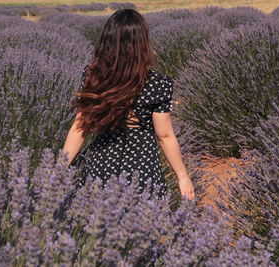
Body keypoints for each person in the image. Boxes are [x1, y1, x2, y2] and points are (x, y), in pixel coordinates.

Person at [62, 9, 195, 200]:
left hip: (101, 163)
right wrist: (182, 177)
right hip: (142, 169)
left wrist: (58, 169)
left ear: (107, 43)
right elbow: (164, 136)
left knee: (96, 222)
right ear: (142, 44)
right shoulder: (158, 83)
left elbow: (80, 128)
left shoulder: (94, 77)